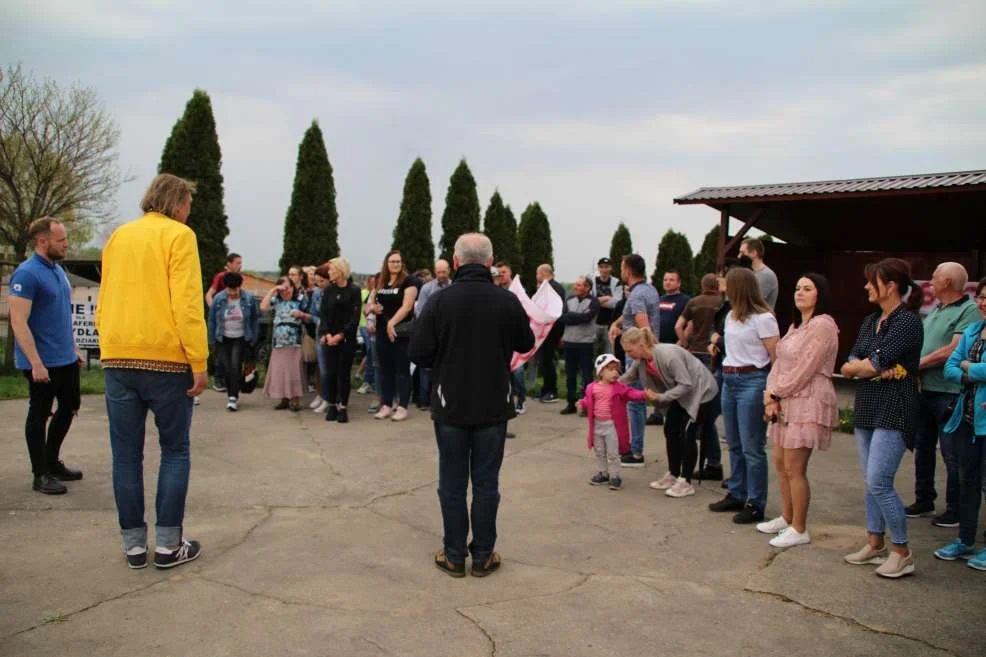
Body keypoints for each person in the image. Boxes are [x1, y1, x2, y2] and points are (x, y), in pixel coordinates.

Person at [96, 173, 208, 569]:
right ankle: (167, 544)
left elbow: (104, 296)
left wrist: (107, 343)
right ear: (178, 204)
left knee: (125, 457)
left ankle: (132, 546)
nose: (188, 215)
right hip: (166, 360)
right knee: (175, 451)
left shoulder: (118, 238)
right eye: (188, 208)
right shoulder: (179, 236)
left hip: (118, 358)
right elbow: (188, 305)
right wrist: (199, 360)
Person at [409, 233, 534, 578]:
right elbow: (525, 342)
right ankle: (482, 555)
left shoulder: (439, 301)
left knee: (451, 481)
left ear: (457, 260)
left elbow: (418, 353)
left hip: (450, 403)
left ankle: (453, 555)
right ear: (491, 263)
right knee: (485, 482)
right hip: (493, 402)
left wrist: (447, 358)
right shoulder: (506, 301)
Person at [840, 258, 923, 579]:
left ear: (890, 286)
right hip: (869, 404)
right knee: (870, 480)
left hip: (895, 407)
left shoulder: (907, 322)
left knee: (879, 480)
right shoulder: (871, 319)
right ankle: (875, 543)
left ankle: (902, 551)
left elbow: (874, 363)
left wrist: (866, 366)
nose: (865, 286)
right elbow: (853, 359)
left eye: (870, 281)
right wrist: (862, 366)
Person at [758, 274, 839, 548]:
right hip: (784, 400)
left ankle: (800, 527)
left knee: (795, 467)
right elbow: (780, 363)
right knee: (780, 462)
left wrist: (777, 392)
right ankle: (787, 516)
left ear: (820, 294)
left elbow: (806, 368)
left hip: (808, 399)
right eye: (797, 288)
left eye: (807, 289)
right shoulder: (796, 325)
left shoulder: (823, 326)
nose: (800, 293)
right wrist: (769, 395)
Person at [9, 217, 84, 495]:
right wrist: (35, 362)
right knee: (39, 413)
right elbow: (18, 321)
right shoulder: (27, 274)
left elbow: (60, 314)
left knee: (70, 405)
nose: (66, 244)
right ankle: (40, 473)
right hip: (41, 361)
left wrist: (72, 347)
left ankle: (52, 461)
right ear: (42, 241)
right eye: (61, 240)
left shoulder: (58, 270)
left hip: (65, 357)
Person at [906, 262, 979, 525]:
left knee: (952, 453)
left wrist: (917, 365)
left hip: (949, 393)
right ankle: (924, 499)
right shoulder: (937, 310)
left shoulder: (969, 311)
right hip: (926, 389)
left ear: (947, 282)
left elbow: (953, 350)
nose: (931, 282)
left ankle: (955, 509)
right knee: (923, 446)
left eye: (935, 277)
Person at [708, 267, 779, 524]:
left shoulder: (764, 318)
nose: (722, 285)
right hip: (730, 378)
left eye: (726, 282)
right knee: (735, 443)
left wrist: (773, 390)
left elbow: (776, 356)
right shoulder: (730, 317)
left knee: (752, 447)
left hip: (752, 380)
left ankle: (755, 502)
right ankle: (737, 492)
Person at [621, 328, 719, 499]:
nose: (628, 355)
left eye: (630, 350)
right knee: (670, 430)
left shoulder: (668, 355)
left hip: (701, 393)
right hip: (680, 395)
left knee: (688, 432)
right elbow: (627, 378)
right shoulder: (642, 360)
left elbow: (686, 384)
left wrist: (661, 397)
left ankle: (686, 481)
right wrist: (605, 386)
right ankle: (673, 474)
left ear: (642, 345)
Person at [935, 278, 986, 569]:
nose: (983, 302)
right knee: (968, 480)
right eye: (980, 297)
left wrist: (969, 366)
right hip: (967, 418)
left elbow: (962, 366)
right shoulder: (974, 330)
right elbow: (950, 368)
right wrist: (970, 371)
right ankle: (966, 540)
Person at [608, 253, 661, 467]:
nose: (620, 270)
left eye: (622, 266)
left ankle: (635, 452)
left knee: (635, 404)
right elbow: (630, 314)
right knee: (635, 402)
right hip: (642, 355)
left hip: (638, 356)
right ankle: (634, 448)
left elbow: (643, 325)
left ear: (628, 270)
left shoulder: (637, 295)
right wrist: (618, 323)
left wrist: (644, 354)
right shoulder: (648, 290)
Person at [577, 353, 656, 490]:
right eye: (611, 369)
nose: (615, 372)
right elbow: (588, 400)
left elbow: (631, 393)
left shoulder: (619, 387)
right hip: (596, 426)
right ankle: (603, 473)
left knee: (613, 453)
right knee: (600, 452)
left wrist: (643, 394)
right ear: (600, 372)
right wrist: (582, 403)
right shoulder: (592, 387)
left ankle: (615, 476)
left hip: (611, 426)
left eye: (616, 369)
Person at [370, 250, 420, 421]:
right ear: (386, 263)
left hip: (401, 332)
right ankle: (386, 405)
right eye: (392, 262)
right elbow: (369, 304)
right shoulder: (380, 281)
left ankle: (403, 406)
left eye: (398, 261)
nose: (396, 264)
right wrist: (372, 308)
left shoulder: (410, 281)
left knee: (402, 370)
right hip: (382, 333)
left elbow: (407, 307)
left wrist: (392, 323)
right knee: (385, 370)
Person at [207, 272, 260, 412]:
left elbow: (255, 318)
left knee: (235, 365)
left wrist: (254, 337)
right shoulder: (218, 299)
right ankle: (231, 393)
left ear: (239, 287)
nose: (232, 293)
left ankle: (233, 397)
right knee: (226, 367)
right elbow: (211, 319)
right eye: (229, 290)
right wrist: (211, 340)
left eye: (235, 290)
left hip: (240, 337)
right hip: (222, 338)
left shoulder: (248, 298)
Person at [318, 257, 362, 423]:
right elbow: (323, 314)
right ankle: (331, 404)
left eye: (331, 269)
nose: (329, 272)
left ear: (340, 270)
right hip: (329, 338)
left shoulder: (354, 290)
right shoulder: (328, 290)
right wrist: (327, 333)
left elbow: (354, 317)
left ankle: (342, 406)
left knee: (343, 373)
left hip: (345, 339)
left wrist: (341, 335)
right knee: (330, 372)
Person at [260, 275, 312, 411]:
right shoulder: (276, 300)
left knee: (294, 372)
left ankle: (295, 400)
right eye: (282, 289)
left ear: (292, 287)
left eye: (287, 288)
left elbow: (311, 317)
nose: (285, 292)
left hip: (295, 342)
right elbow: (263, 307)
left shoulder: (301, 299)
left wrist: (301, 314)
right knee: (280, 372)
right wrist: (273, 290)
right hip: (279, 343)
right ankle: (284, 399)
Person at [648, 270, 692, 426]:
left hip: (675, 347)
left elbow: (689, 323)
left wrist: (682, 343)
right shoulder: (658, 300)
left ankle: (677, 412)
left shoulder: (686, 300)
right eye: (665, 279)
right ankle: (658, 413)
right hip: (657, 346)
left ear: (679, 283)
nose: (667, 282)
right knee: (657, 380)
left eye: (672, 280)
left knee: (674, 381)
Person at [414, 259, 452, 410]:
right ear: (435, 271)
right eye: (438, 272)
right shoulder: (426, 288)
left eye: (444, 272)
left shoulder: (455, 286)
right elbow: (419, 310)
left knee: (446, 367)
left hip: (448, 333)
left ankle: (444, 399)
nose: (441, 275)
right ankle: (424, 400)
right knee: (426, 368)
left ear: (449, 270)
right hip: (431, 333)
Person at [559, 275, 600, 415]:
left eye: (579, 285)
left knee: (587, 376)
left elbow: (587, 318)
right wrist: (576, 317)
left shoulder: (594, 302)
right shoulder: (569, 299)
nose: (576, 287)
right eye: (576, 284)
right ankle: (571, 403)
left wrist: (571, 315)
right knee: (570, 375)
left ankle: (586, 405)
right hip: (569, 342)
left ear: (587, 288)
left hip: (585, 343)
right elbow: (562, 318)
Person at [205, 253, 242, 392]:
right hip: (224, 319)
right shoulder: (221, 277)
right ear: (230, 263)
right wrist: (214, 311)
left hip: (235, 320)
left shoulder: (239, 278)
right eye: (237, 263)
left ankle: (231, 381)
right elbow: (209, 294)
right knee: (222, 352)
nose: (240, 265)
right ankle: (218, 379)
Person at [497, 261, 527, 415]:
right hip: (499, 338)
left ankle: (521, 399)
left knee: (518, 371)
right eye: (499, 272)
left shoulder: (519, 292)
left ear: (510, 273)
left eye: (504, 272)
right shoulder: (494, 290)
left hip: (514, 336)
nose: (501, 275)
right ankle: (506, 399)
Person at [534, 264, 568, 403]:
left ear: (543, 273)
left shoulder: (553, 287)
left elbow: (552, 309)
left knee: (547, 360)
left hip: (552, 329)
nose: (536, 276)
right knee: (544, 360)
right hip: (547, 328)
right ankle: (545, 389)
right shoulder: (548, 287)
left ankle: (552, 391)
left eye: (537, 273)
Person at [308, 267, 329, 413]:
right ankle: (322, 396)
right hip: (319, 333)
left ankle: (331, 398)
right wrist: (318, 321)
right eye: (317, 282)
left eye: (322, 281)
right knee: (322, 369)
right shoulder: (316, 294)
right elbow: (312, 313)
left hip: (333, 335)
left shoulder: (334, 292)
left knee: (331, 369)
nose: (319, 284)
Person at [592, 258, 623, 355]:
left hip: (610, 324)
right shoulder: (592, 281)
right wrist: (607, 297)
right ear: (598, 268)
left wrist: (597, 301)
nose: (604, 269)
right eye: (601, 267)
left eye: (606, 267)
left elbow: (616, 303)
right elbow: (589, 302)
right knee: (591, 352)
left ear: (611, 268)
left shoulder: (617, 282)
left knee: (610, 352)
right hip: (594, 323)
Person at [739, 238, 779, 309]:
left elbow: (751, 302)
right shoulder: (750, 273)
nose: (739, 256)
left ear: (754, 253)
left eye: (742, 253)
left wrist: (729, 288)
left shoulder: (766, 275)